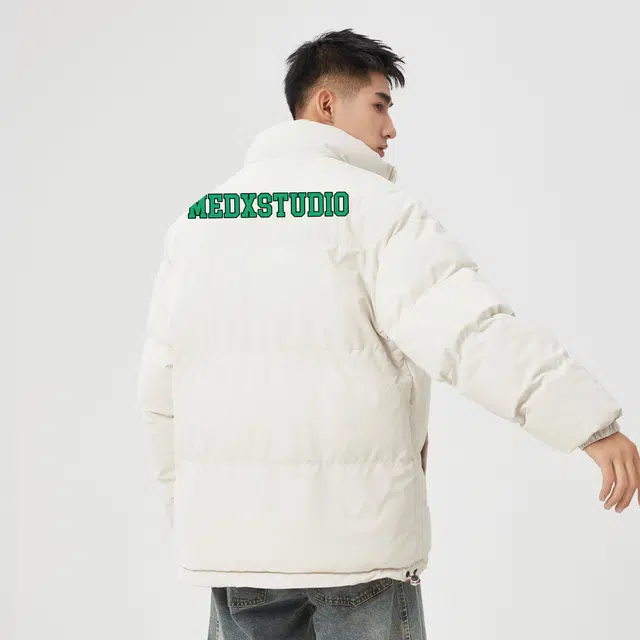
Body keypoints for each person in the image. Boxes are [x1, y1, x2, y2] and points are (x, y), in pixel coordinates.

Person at [136, 28, 639, 640]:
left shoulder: (199, 222)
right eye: (379, 105)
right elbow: (469, 333)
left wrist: (197, 518)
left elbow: (161, 391)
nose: (391, 128)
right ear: (326, 103)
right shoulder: (377, 210)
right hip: (358, 553)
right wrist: (590, 423)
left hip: (236, 552)